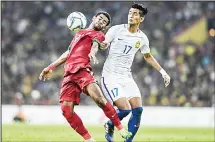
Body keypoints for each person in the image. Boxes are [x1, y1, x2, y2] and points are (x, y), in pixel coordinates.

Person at [39, 11, 132, 142]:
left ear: (104, 27)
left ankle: (121, 129)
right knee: (66, 111)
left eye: (104, 22)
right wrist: (50, 67)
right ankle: (89, 140)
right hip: (69, 75)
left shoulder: (98, 35)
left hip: (82, 70)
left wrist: (93, 53)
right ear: (94, 18)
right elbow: (68, 53)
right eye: (100, 18)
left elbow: (95, 45)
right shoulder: (79, 33)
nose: (101, 22)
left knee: (99, 99)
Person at [98, 4, 171, 142]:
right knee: (125, 109)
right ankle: (109, 124)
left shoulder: (142, 38)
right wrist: (102, 44)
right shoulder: (116, 30)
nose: (131, 15)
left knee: (138, 109)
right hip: (110, 76)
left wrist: (163, 72)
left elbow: (147, 56)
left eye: (135, 13)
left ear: (141, 19)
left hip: (126, 76)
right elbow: (105, 42)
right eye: (130, 12)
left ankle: (128, 141)